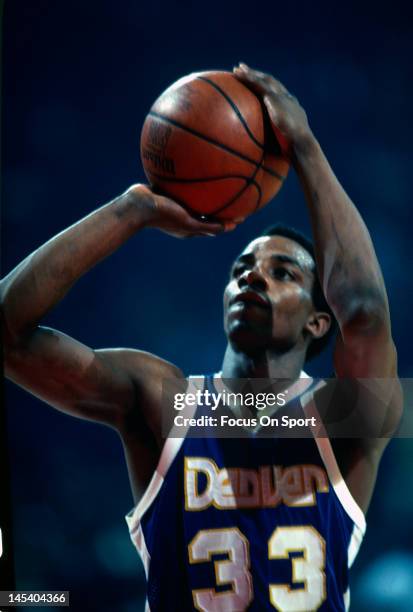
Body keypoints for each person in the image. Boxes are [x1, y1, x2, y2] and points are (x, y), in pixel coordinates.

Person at [1, 63, 402, 611]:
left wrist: (304, 146)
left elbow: (364, 310)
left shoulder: (343, 418)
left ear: (317, 321)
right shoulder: (162, 399)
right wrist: (131, 210)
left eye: (283, 272)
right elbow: (7, 331)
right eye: (241, 268)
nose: (252, 276)